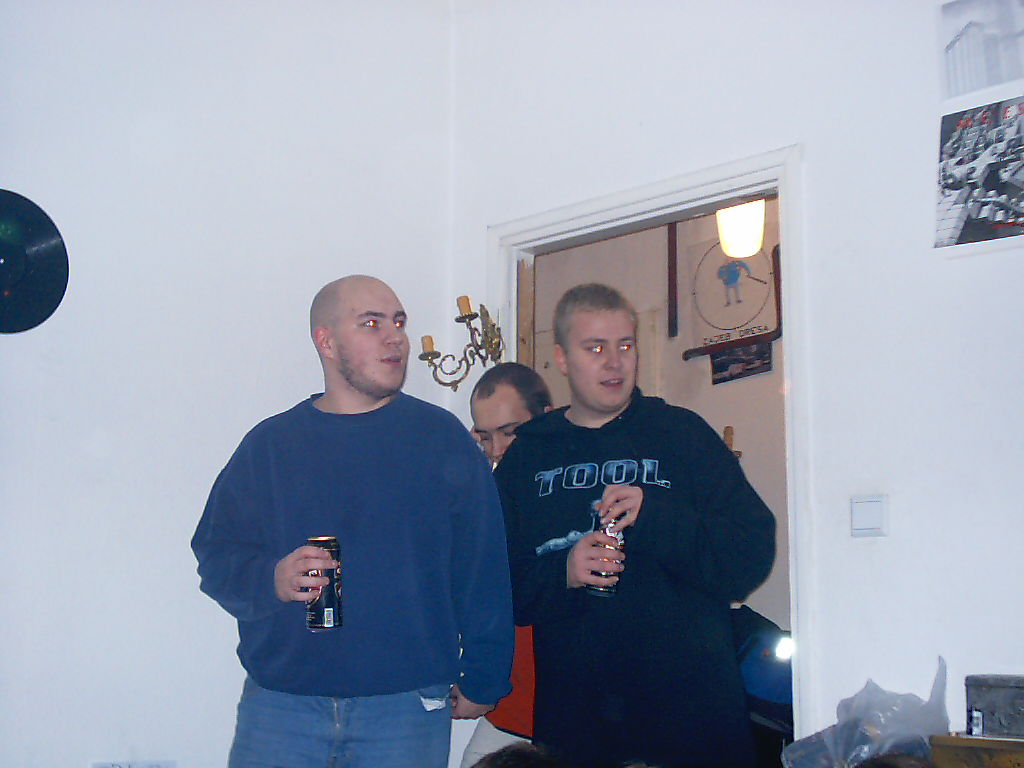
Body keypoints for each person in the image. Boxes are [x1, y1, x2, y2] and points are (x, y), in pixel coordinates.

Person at [191, 275, 513, 768]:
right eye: (371, 323)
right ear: (326, 341)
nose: (395, 337)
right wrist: (271, 579)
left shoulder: (440, 438)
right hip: (282, 705)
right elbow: (216, 555)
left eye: (398, 323)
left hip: (406, 706)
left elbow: (483, 565)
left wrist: (485, 676)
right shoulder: (271, 446)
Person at [495, 283, 776, 768]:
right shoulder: (528, 456)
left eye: (625, 346)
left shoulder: (683, 435)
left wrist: (656, 517)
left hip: (694, 720)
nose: (614, 362)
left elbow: (749, 557)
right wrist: (563, 571)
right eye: (595, 348)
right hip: (578, 727)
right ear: (562, 359)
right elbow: (494, 586)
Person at [462, 363, 553, 768]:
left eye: (509, 432)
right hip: (512, 703)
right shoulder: (488, 494)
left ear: (546, 419)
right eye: (485, 437)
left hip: (581, 708)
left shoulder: (580, 486)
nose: (496, 449)